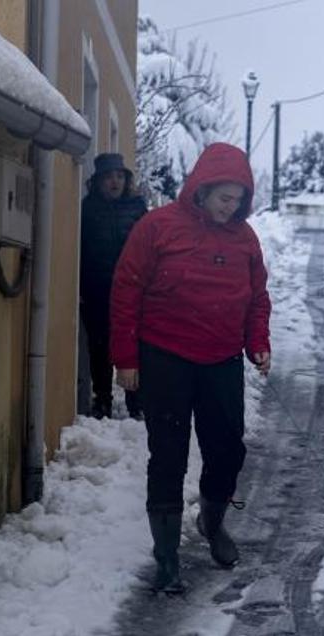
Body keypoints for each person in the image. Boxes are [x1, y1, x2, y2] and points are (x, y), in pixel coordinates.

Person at [110, 143, 272, 594]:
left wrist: (257, 343)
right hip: (165, 357)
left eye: (239, 200)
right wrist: (126, 358)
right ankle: (166, 558)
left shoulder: (245, 240)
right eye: (225, 198)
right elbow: (126, 291)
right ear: (202, 189)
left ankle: (212, 521)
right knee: (168, 454)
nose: (231, 207)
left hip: (220, 359)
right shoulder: (157, 227)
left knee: (226, 449)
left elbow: (257, 298)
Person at [79, 152, 147, 419]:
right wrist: (81, 288)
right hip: (97, 288)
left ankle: (136, 401)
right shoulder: (87, 209)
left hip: (132, 290)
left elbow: (149, 249)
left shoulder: (137, 208)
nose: (114, 182)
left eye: (119, 176)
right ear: (97, 181)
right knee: (99, 346)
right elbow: (80, 250)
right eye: (108, 177)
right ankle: (103, 399)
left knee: (133, 343)